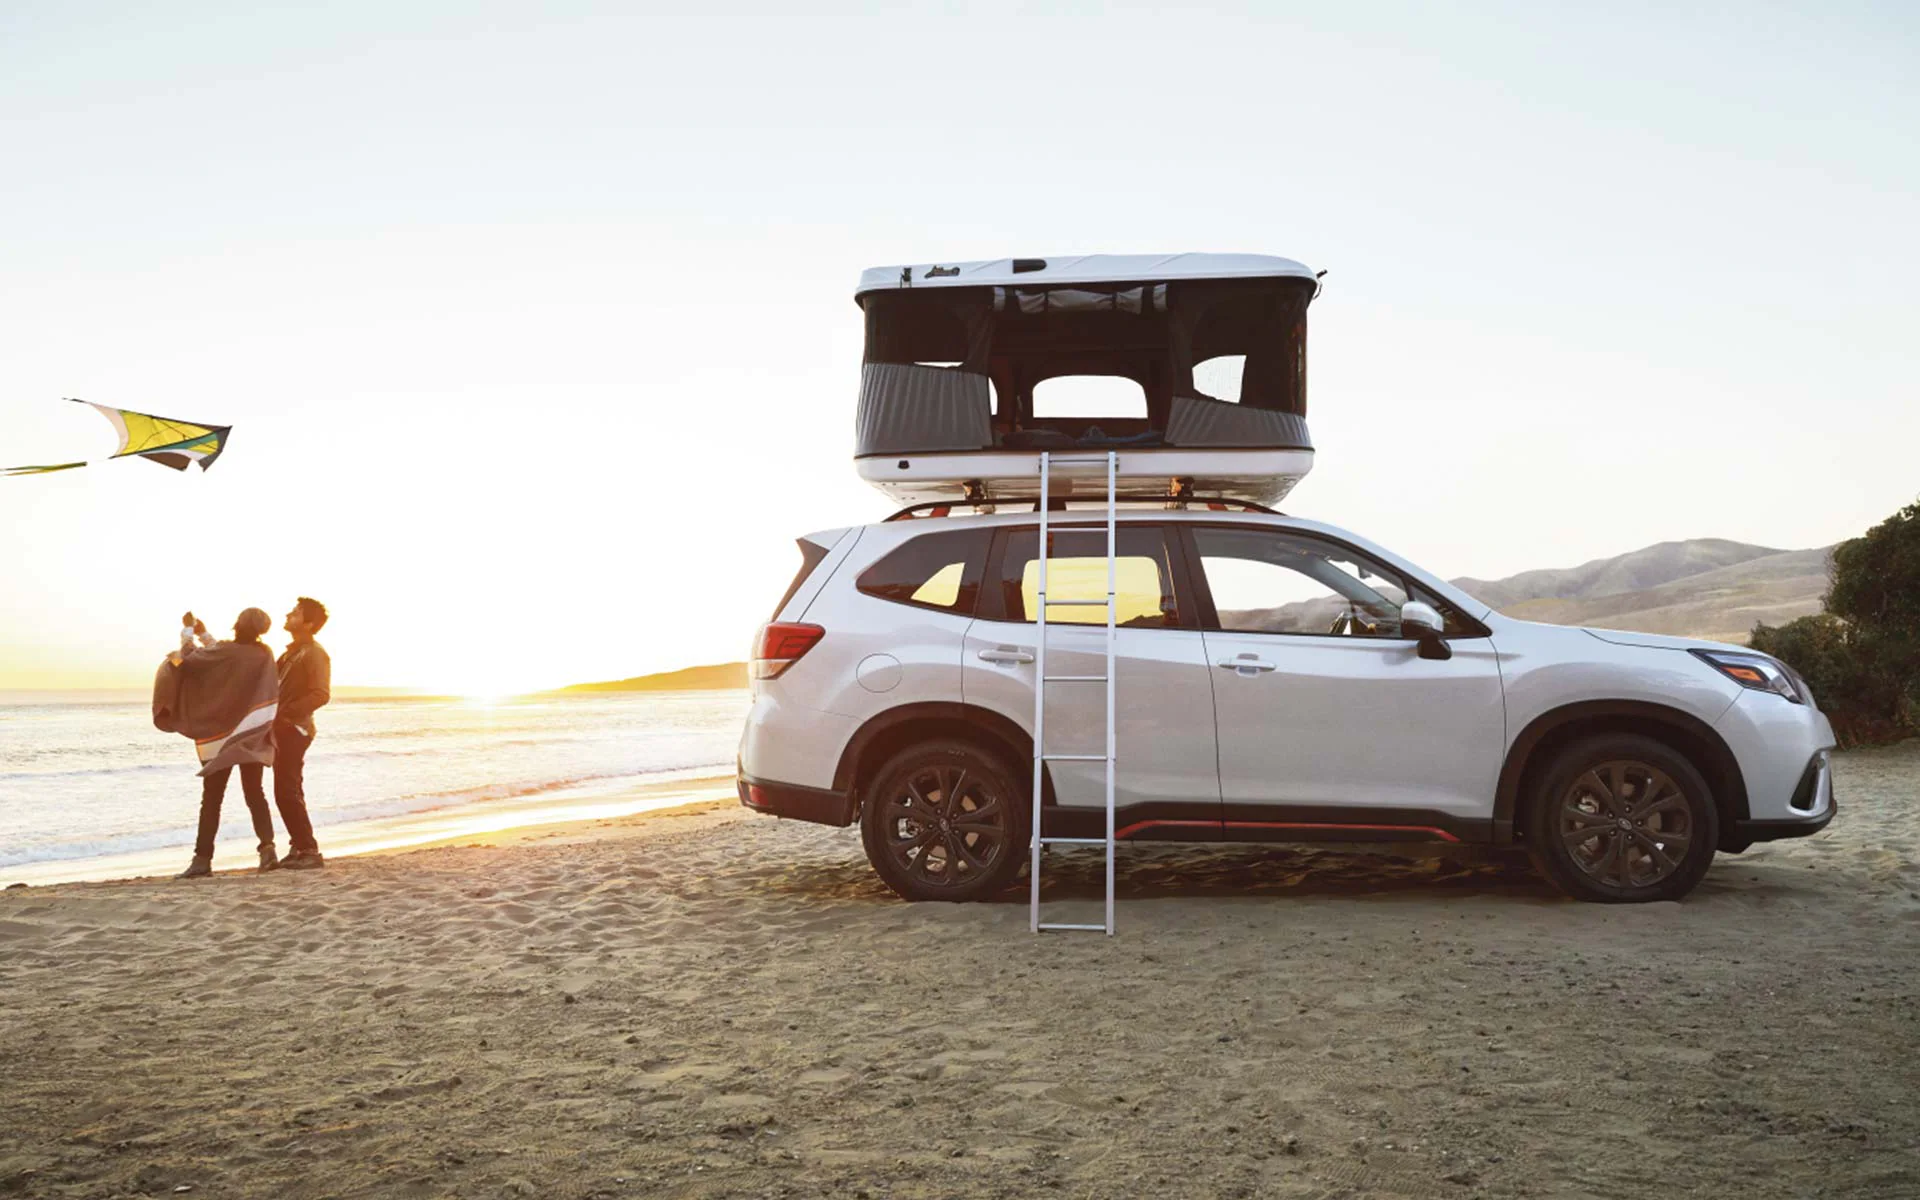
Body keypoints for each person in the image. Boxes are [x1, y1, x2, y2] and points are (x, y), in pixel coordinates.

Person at [176, 608, 280, 878]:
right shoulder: (264, 654)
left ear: (237, 624)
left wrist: (189, 631)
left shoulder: (226, 652)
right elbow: (221, 651)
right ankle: (268, 850)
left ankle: (202, 860)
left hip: (220, 735)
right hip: (250, 732)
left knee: (211, 798)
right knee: (255, 793)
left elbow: (190, 658)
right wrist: (203, 633)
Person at [273, 596, 331, 870]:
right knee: (288, 789)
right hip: (282, 728)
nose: (288, 615)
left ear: (308, 623)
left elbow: (321, 694)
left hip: (296, 729)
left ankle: (308, 850)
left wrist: (286, 714)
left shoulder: (314, 653)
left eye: (294, 613)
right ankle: (300, 847)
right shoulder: (288, 653)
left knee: (287, 789)